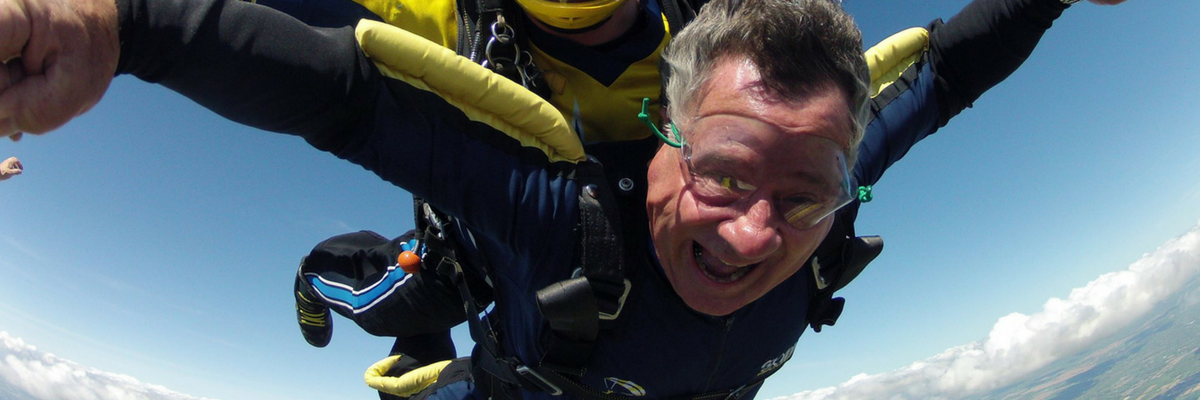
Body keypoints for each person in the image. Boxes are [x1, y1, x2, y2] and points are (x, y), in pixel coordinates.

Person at [0, 0, 1132, 399]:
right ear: (662, 137)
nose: (754, 228)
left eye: (809, 191)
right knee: (380, 300)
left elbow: (953, 70)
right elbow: (343, 95)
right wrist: (128, 29)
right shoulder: (554, 209)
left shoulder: (819, 191)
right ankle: (346, 296)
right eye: (723, 172)